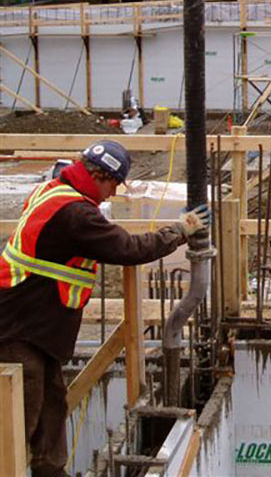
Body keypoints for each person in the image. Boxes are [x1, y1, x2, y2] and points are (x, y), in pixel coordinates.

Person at [0, 140, 210, 477]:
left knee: (52, 405)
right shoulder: (76, 214)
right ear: (99, 175)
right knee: (18, 415)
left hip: (35, 326)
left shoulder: (53, 191)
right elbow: (129, 249)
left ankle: (50, 471)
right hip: (20, 326)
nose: (113, 193)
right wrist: (180, 230)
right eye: (114, 184)